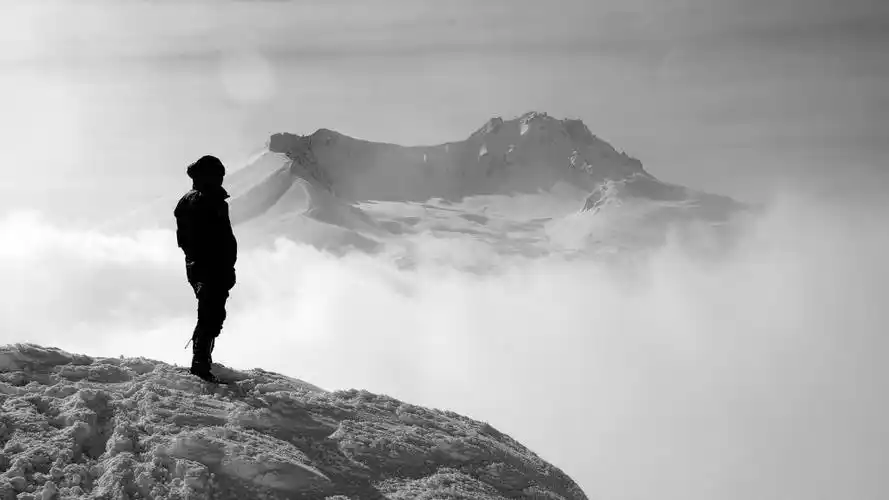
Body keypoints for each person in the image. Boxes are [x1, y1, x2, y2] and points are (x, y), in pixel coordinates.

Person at [174, 155, 238, 382]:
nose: (221, 179)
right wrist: (219, 266)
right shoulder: (204, 200)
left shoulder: (198, 200)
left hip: (207, 266)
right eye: (218, 175)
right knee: (210, 315)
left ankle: (202, 361)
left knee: (212, 314)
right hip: (209, 267)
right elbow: (208, 239)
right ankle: (200, 364)